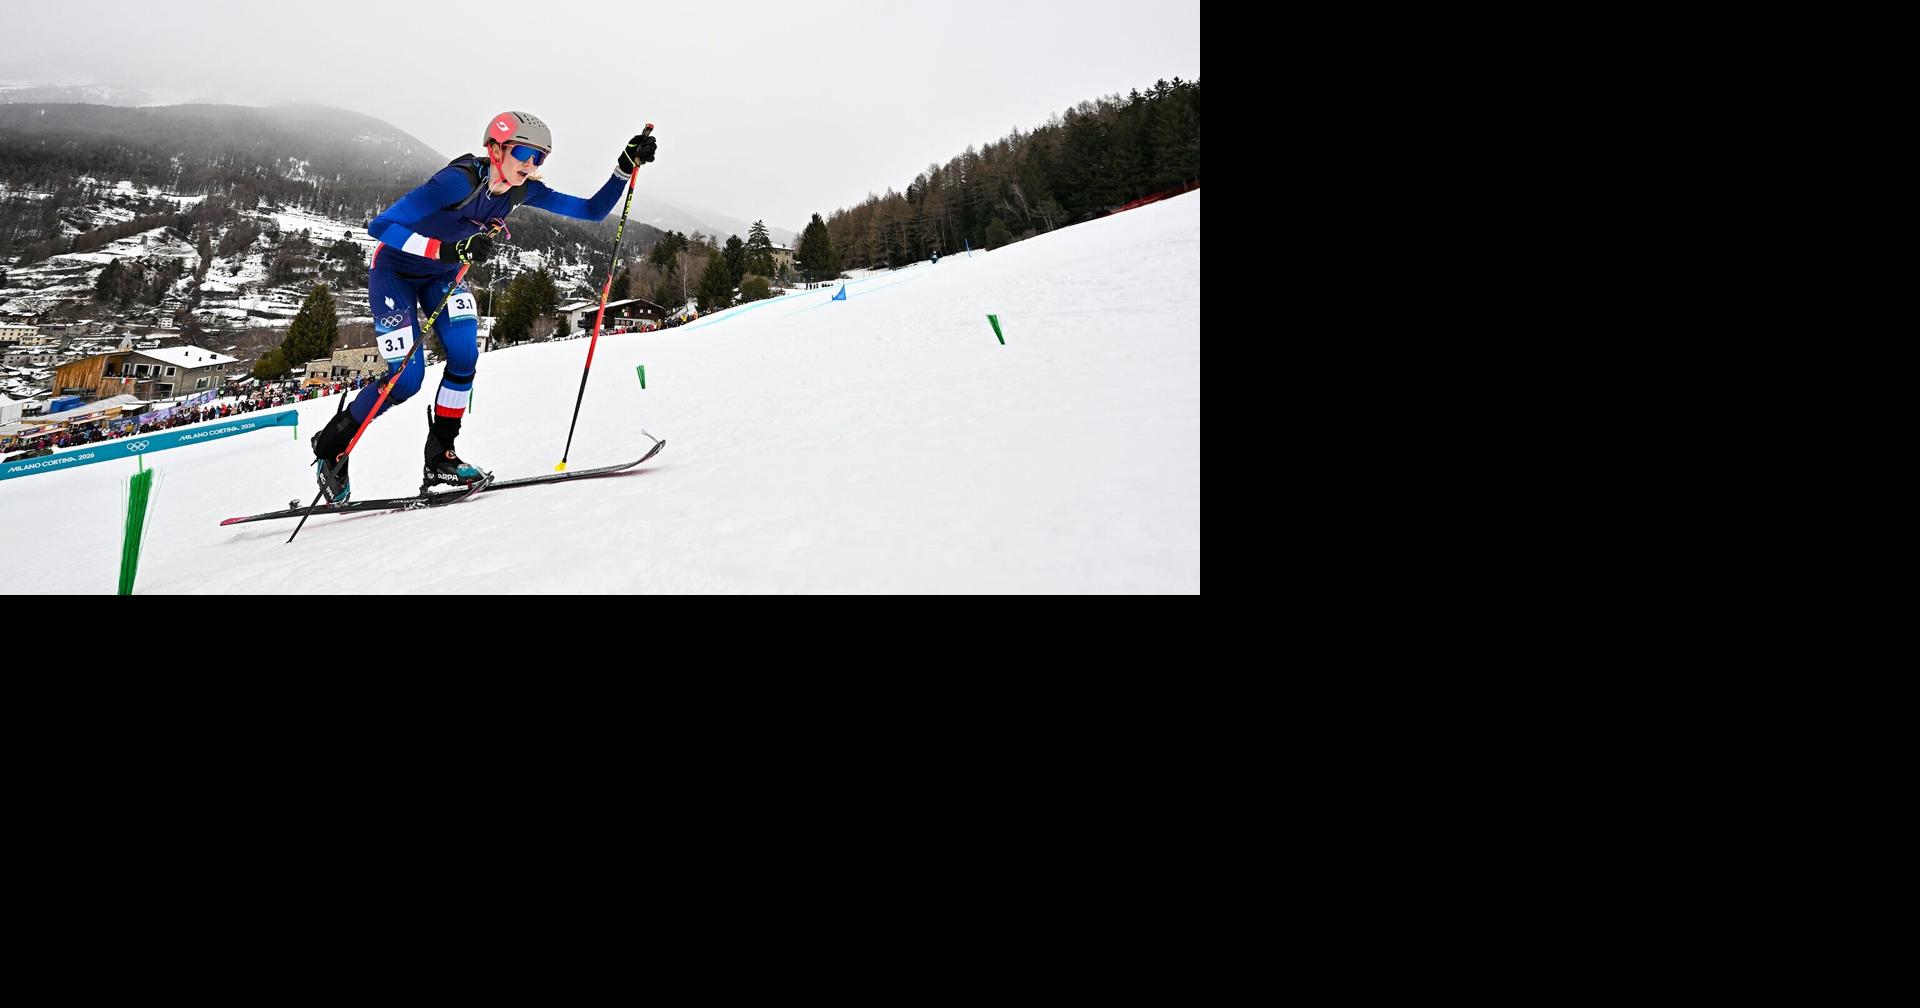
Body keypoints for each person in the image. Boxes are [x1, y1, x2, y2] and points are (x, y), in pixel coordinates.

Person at [307, 111, 656, 501]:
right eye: (523, 152)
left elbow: (591, 211)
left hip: (444, 278)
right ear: (495, 149)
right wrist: (447, 249)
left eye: (539, 157)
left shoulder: (523, 190)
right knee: (406, 379)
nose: (530, 164)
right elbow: (381, 226)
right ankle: (331, 444)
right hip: (395, 274)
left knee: (464, 356)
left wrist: (624, 168)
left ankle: (441, 457)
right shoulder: (457, 181)